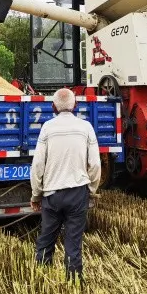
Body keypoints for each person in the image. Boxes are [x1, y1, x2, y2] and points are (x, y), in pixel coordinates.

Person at [30, 88, 102, 283]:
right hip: (78, 193)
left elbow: (38, 164)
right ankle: (74, 283)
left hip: (52, 194)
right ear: (75, 106)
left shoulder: (47, 128)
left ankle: (41, 281)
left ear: (53, 107)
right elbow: (95, 164)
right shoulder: (86, 127)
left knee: (46, 240)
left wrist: (36, 195)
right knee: (73, 244)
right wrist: (92, 190)